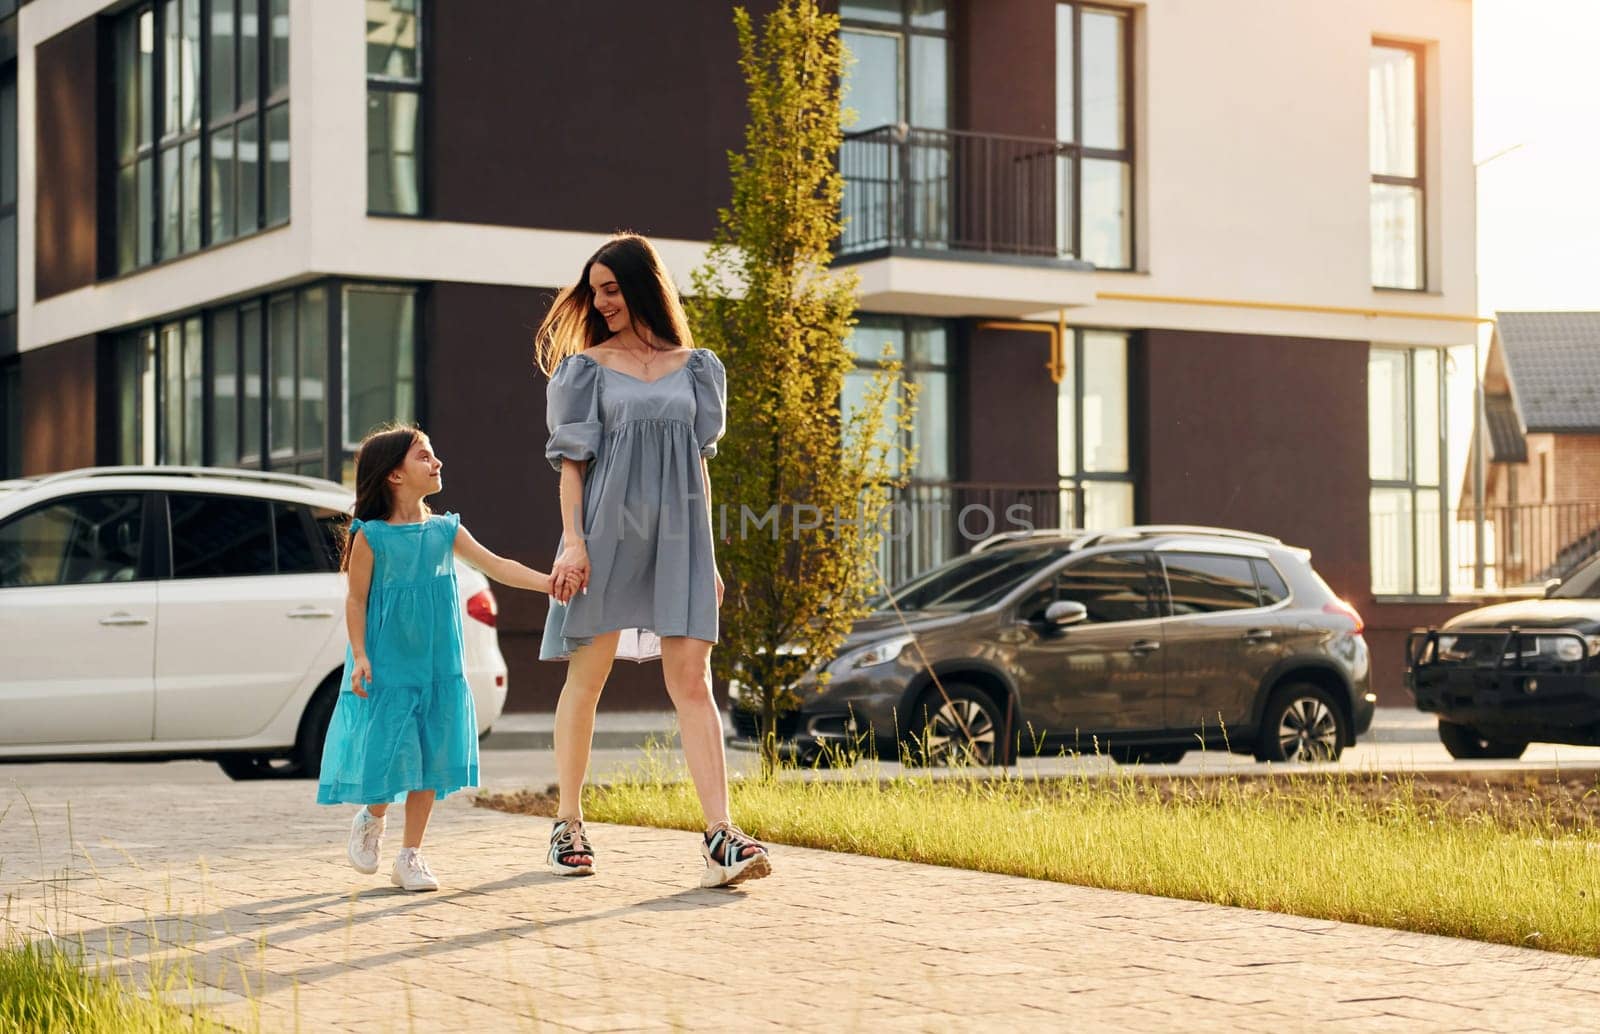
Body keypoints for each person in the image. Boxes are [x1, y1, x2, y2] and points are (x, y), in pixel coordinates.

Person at [535, 233, 771, 888]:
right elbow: (572, 466)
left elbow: (698, 462)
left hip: (680, 539)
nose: (601, 301)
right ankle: (568, 823)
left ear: (642, 285)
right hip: (604, 533)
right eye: (595, 290)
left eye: (611, 288)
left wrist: (711, 557)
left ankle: (721, 835)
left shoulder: (697, 367)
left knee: (692, 678)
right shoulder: (585, 369)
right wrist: (573, 540)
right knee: (589, 674)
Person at [317, 424, 564, 891]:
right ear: (394, 476)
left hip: (437, 665)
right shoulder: (371, 537)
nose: (437, 463)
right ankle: (371, 817)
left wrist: (549, 583)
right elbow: (356, 601)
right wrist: (361, 655)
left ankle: (410, 856)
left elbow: (498, 566)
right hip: (388, 665)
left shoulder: (445, 530)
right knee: (389, 751)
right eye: (425, 457)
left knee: (430, 755)